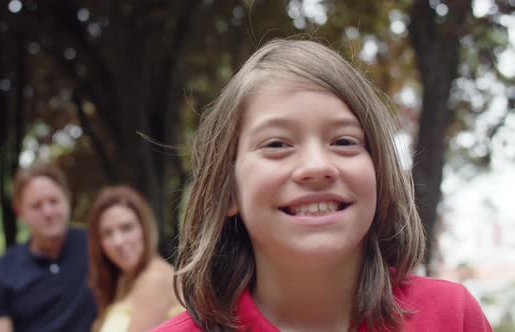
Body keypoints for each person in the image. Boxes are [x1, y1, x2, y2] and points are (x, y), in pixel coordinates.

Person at [152, 39, 492, 331]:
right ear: (228, 192)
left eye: (344, 141)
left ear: (379, 175)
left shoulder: (452, 317)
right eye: (276, 144)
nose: (317, 167)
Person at [0, 163, 97, 332]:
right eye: (36, 206)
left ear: (68, 199)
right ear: (20, 212)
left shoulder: (97, 246)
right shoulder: (1, 270)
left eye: (54, 201)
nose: (48, 212)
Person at [86, 186, 182, 332]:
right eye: (107, 233)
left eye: (126, 228)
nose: (118, 241)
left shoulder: (156, 278)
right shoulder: (123, 280)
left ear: (145, 228)